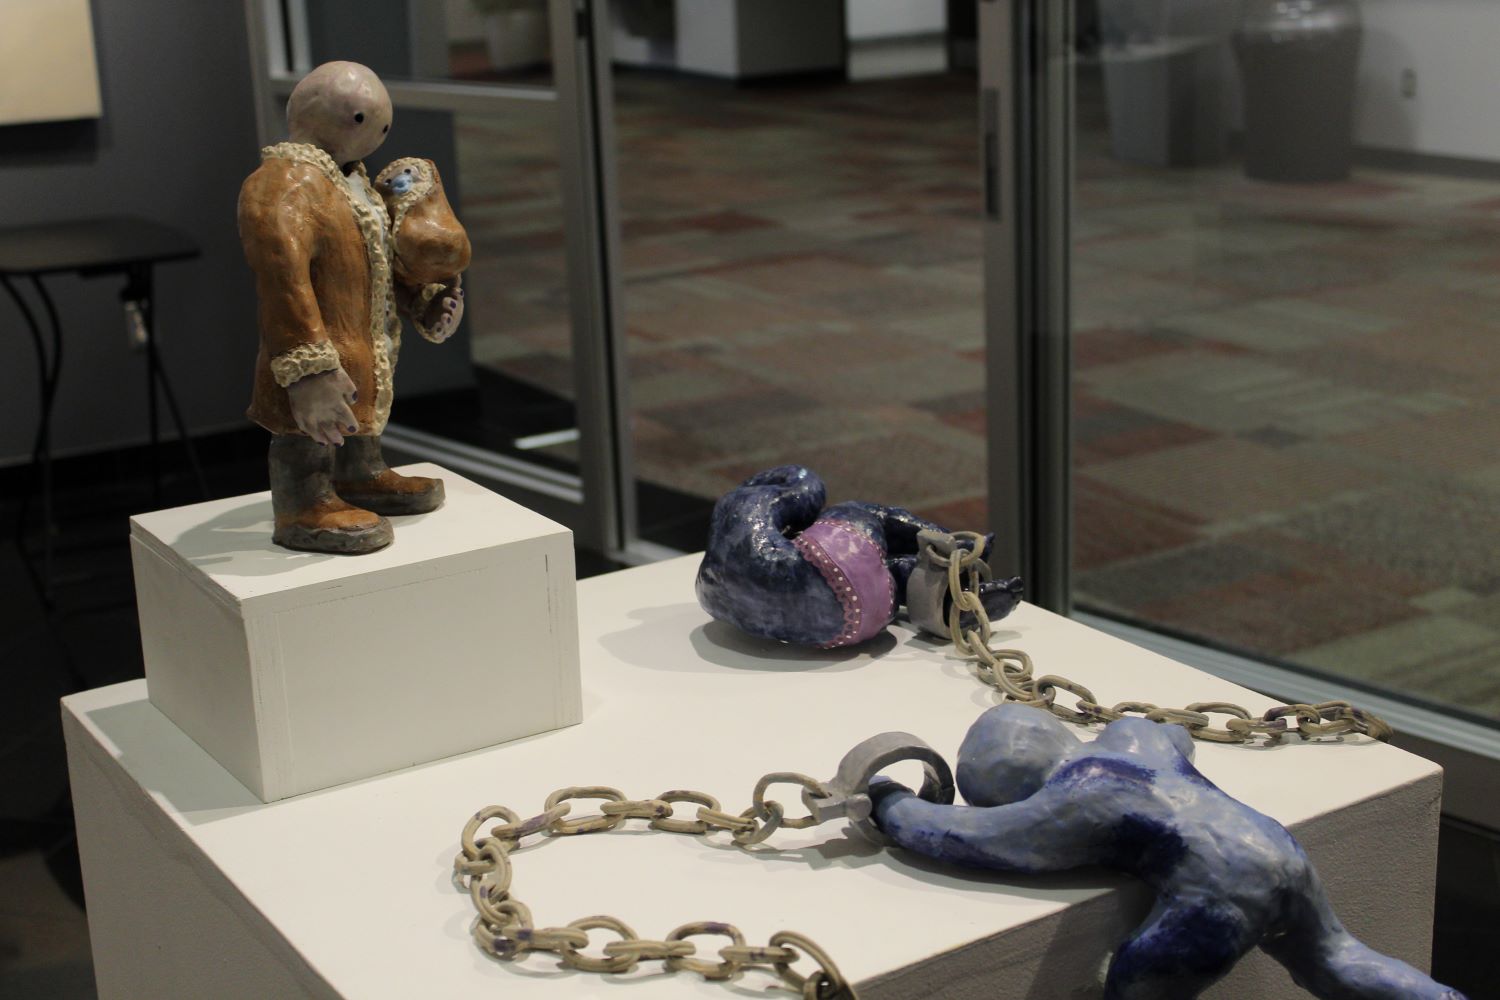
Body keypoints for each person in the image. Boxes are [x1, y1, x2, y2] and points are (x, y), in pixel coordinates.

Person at [869, 704, 1467, 999]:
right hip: (1275, 847)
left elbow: (972, 840)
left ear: (1011, 788)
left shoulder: (1069, 802)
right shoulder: (1133, 736)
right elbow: (1175, 731)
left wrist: (890, 803)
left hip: (1222, 894)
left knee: (1134, 980)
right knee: (1336, 956)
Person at [238, 61, 469, 553]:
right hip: (319, 344)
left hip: (360, 340)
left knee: (355, 404)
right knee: (312, 421)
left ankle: (359, 474)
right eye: (366, 119)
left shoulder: (352, 184)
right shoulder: (285, 183)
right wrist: (308, 369)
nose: (378, 132)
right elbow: (282, 278)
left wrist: (421, 299)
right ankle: (303, 501)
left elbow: (377, 265)